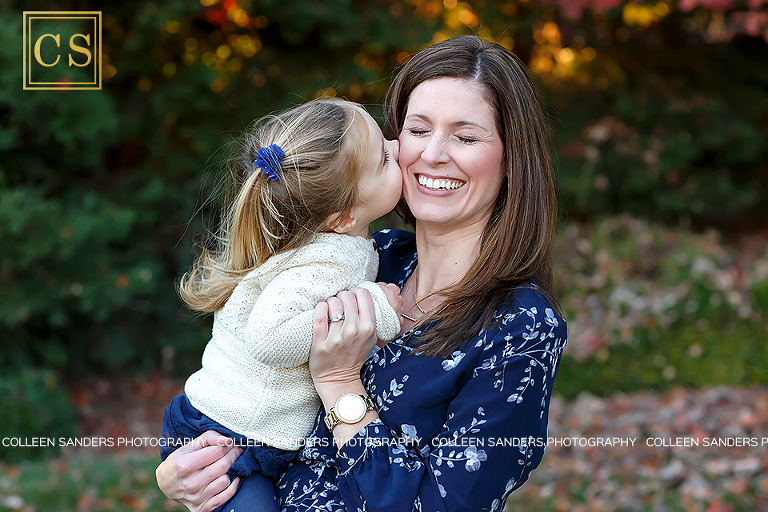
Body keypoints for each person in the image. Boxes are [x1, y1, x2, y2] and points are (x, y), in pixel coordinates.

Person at [156, 35, 568, 512]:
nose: (431, 154)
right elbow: (247, 389)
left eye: (465, 136)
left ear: (513, 158)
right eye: (417, 129)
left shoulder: (520, 327)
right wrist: (186, 474)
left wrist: (340, 384)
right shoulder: (372, 258)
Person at [159, 97, 405, 511]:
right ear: (343, 217)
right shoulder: (330, 257)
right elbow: (269, 337)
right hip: (226, 437)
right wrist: (377, 308)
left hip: (247, 431)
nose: (398, 147)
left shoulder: (336, 242)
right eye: (383, 157)